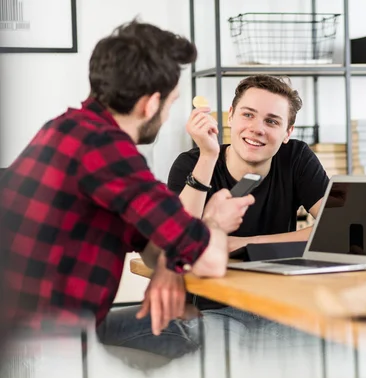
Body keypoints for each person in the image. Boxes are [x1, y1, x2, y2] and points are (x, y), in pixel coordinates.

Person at [0, 20, 255, 345]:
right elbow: (210, 261)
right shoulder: (108, 151)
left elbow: (156, 247)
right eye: (171, 103)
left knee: (180, 329)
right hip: (40, 347)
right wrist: (216, 223)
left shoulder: (63, 128)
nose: (166, 115)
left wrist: (170, 262)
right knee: (211, 331)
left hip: (30, 334)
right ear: (150, 104)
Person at [167, 75, 329, 314]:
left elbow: (338, 230)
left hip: (277, 302)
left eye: (272, 121)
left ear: (287, 132)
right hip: (209, 306)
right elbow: (177, 246)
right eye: (248, 114)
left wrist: (245, 244)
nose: (257, 129)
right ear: (230, 115)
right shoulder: (192, 163)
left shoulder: (296, 159)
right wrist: (208, 156)